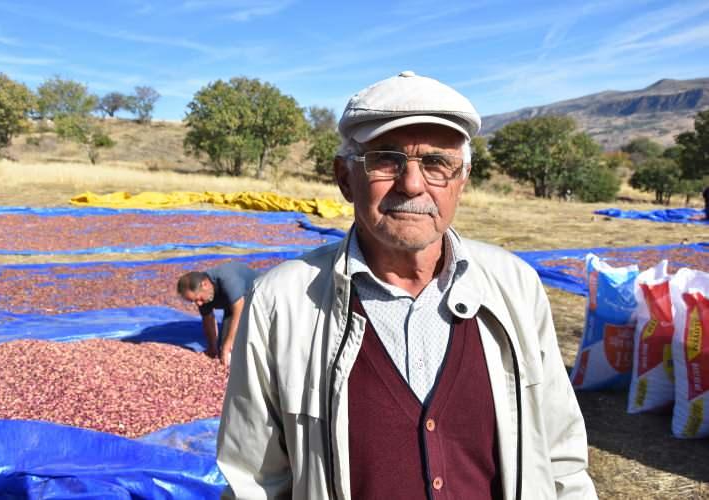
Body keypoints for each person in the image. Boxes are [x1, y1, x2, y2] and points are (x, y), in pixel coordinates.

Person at [217, 71, 597, 499]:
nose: (412, 184)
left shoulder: (514, 285)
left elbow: (561, 457)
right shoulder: (282, 301)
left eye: (437, 163)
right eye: (386, 159)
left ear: (462, 180)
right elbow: (255, 481)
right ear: (345, 178)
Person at [177, 262, 258, 365]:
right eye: (194, 301)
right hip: (232, 306)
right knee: (224, 353)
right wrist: (212, 348)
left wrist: (228, 343)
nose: (199, 304)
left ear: (205, 285)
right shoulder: (204, 296)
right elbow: (208, 319)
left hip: (258, 297)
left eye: (199, 299)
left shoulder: (227, 277)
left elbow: (239, 309)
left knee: (242, 347)